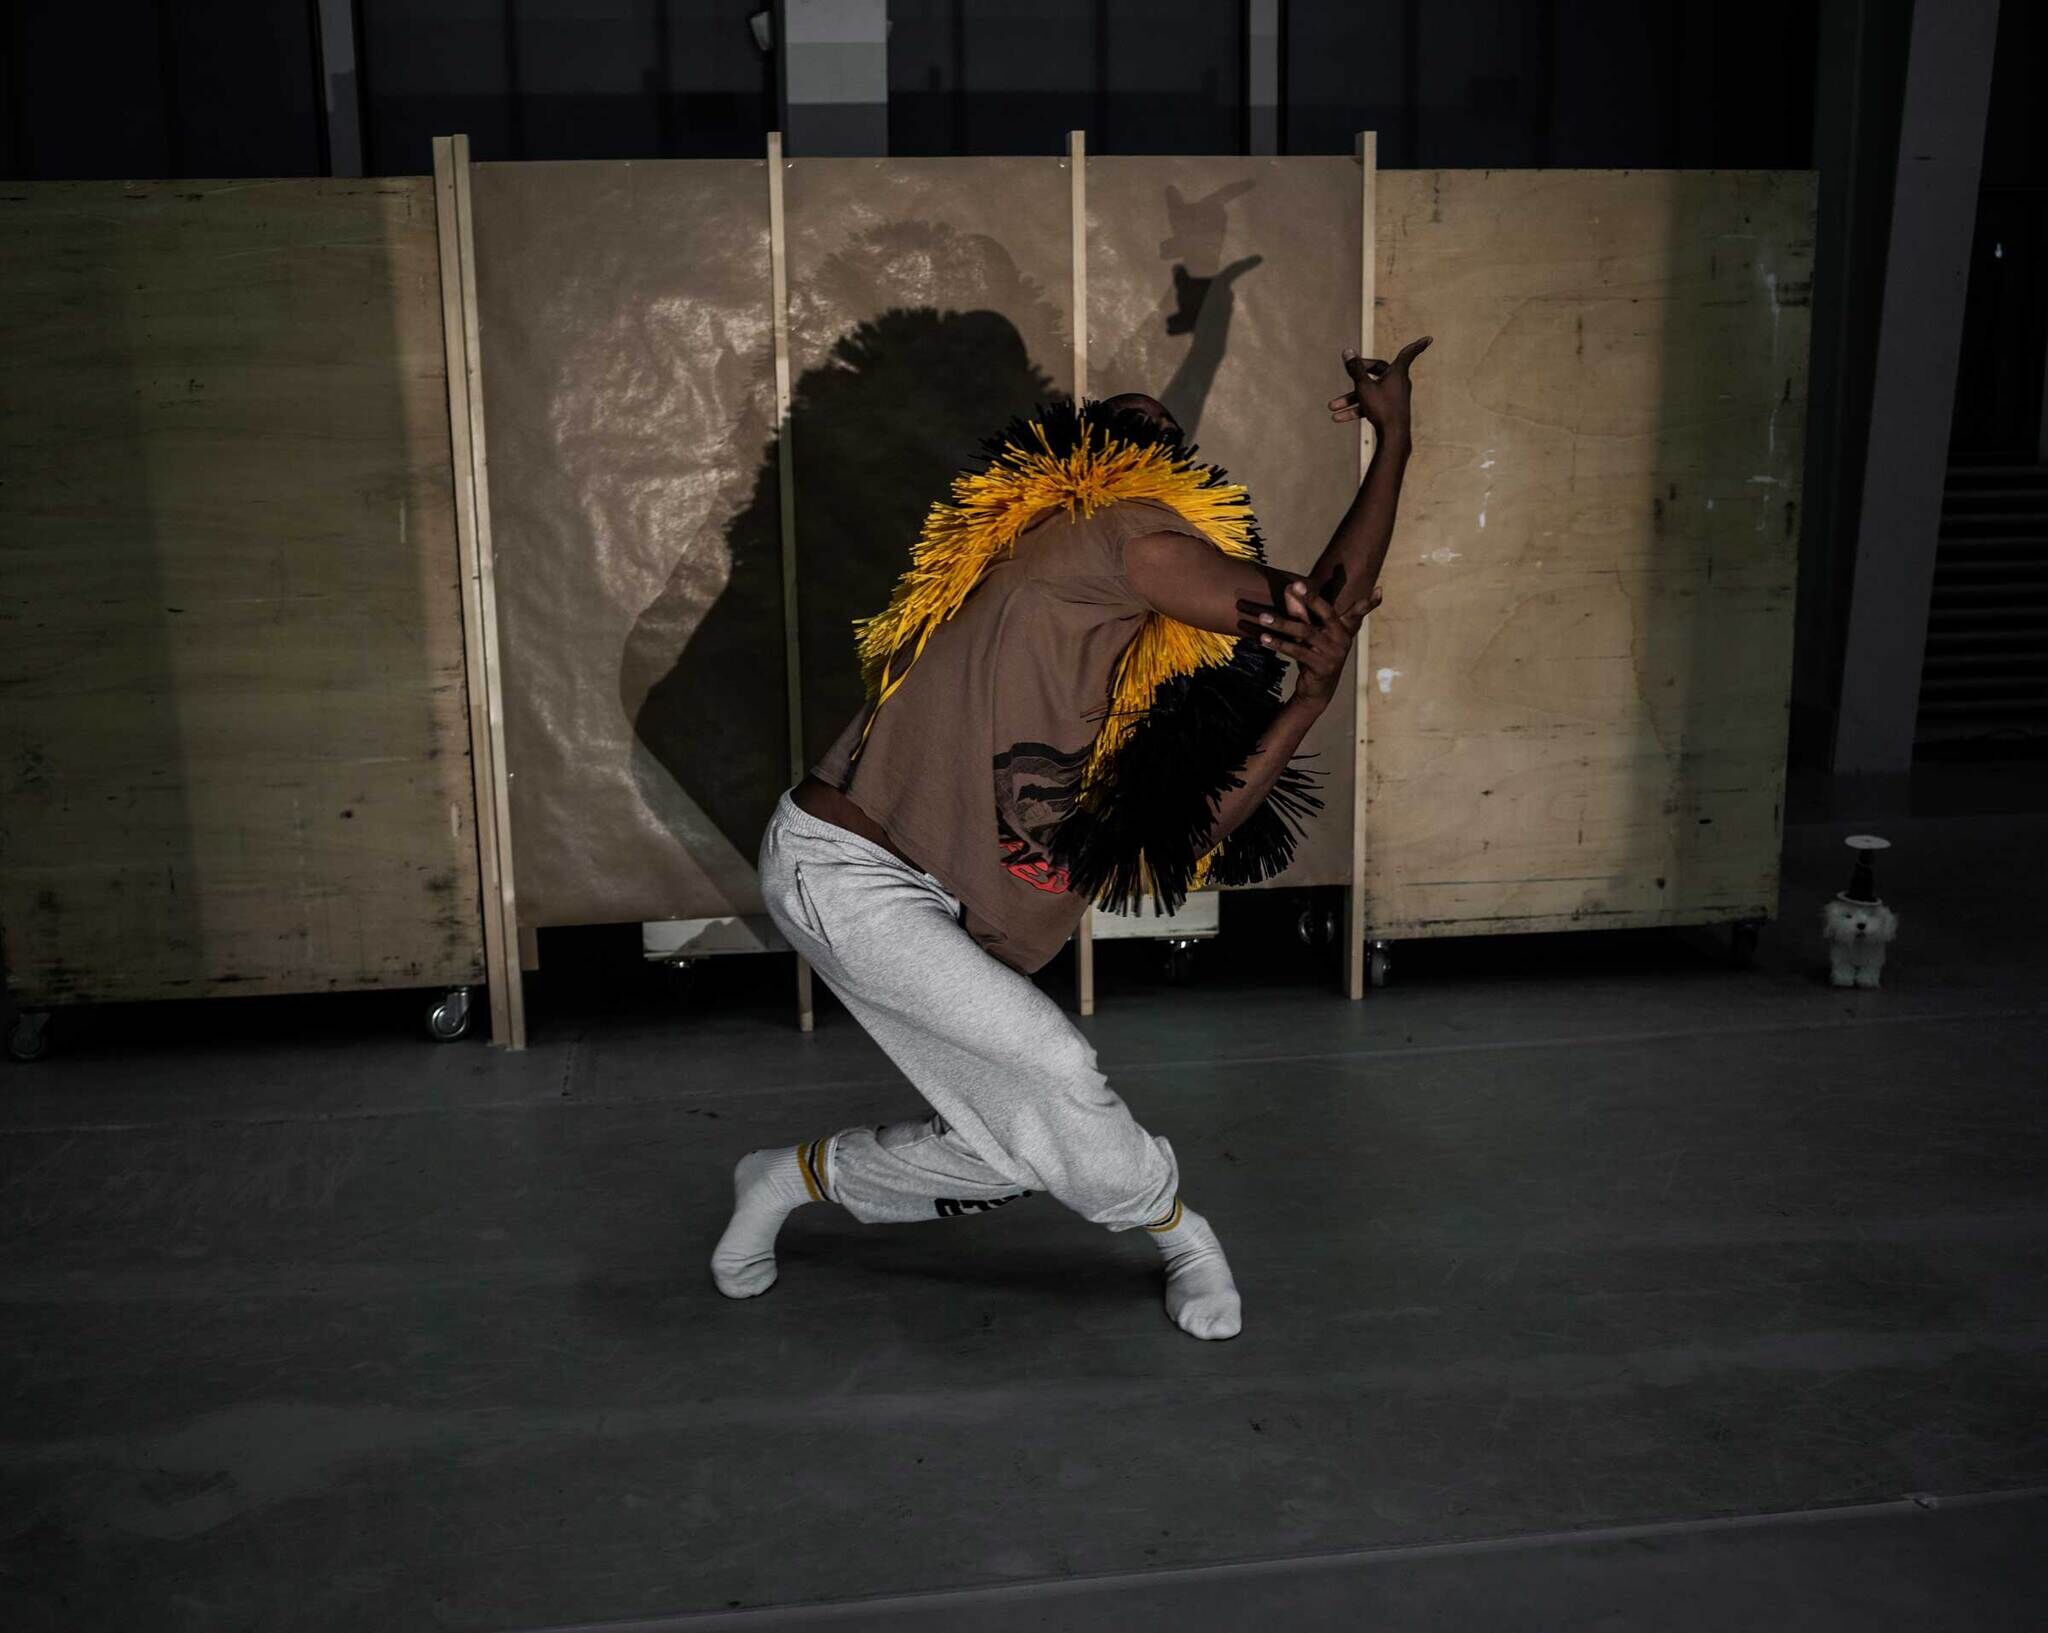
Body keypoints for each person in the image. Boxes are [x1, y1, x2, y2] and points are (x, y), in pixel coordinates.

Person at [712, 338, 1431, 1339]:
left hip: (961, 919)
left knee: (1014, 1151)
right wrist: (1391, 441)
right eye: (1130, 424)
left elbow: (1183, 830)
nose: (1157, 430)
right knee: (1055, 1067)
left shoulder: (1140, 657)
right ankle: (1179, 1225)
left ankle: (789, 1177)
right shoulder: (1099, 530)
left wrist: (1306, 702)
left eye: (1173, 435)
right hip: (854, 869)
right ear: (1083, 457)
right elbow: (1318, 605)